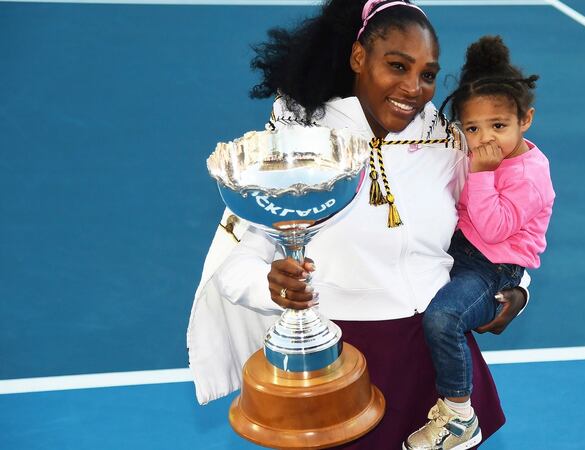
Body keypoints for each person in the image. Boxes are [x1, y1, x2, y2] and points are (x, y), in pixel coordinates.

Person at [186, 1, 530, 447]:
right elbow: (235, 264)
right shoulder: (296, 145)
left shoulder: (450, 141)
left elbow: (507, 223)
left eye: (427, 74)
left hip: (439, 367)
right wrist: (272, 286)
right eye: (396, 66)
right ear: (358, 58)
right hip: (340, 366)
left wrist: (519, 289)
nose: (413, 88)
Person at [403, 35, 555, 450]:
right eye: (472, 128)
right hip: (463, 249)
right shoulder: (474, 152)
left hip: (493, 268)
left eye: (499, 126)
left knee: (443, 319)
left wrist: (483, 174)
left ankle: (458, 415)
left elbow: (493, 229)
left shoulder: (530, 175)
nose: (486, 139)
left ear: (526, 119)